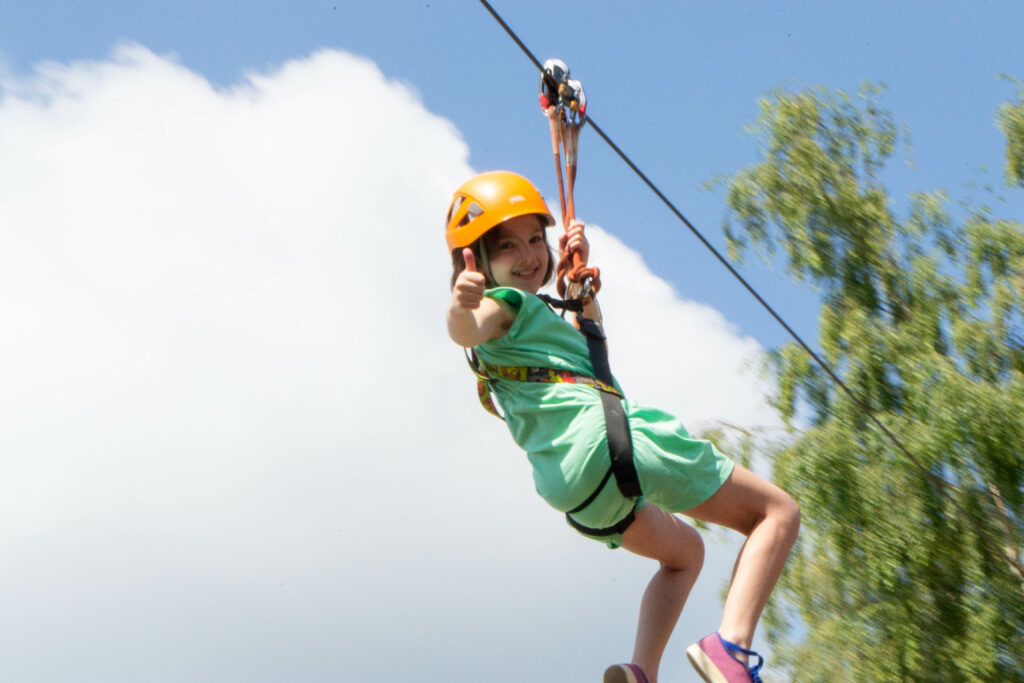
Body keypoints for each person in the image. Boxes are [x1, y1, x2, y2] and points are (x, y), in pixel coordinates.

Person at [445, 170, 800, 683]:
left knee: (685, 554)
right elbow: (466, 327)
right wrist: (460, 305)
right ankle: (732, 648)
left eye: (534, 240)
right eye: (507, 247)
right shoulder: (502, 307)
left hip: (577, 494)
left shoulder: (523, 331)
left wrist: (580, 287)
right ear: (475, 259)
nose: (528, 255)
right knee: (777, 513)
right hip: (611, 445)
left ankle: (642, 673)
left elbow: (588, 351)